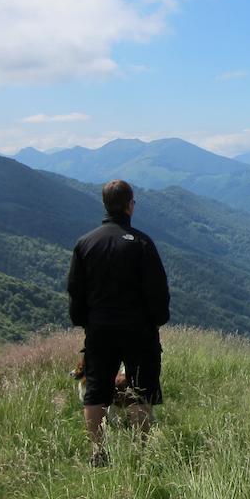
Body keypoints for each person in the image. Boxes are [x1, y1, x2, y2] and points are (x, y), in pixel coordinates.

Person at [68, 180, 170, 466]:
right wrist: (157, 320)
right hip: (139, 330)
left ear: (105, 205)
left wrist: (84, 321)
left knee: (96, 392)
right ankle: (141, 454)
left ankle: (98, 453)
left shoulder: (85, 244)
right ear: (130, 205)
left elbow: (76, 290)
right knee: (140, 391)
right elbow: (158, 290)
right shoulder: (142, 243)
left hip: (100, 329)